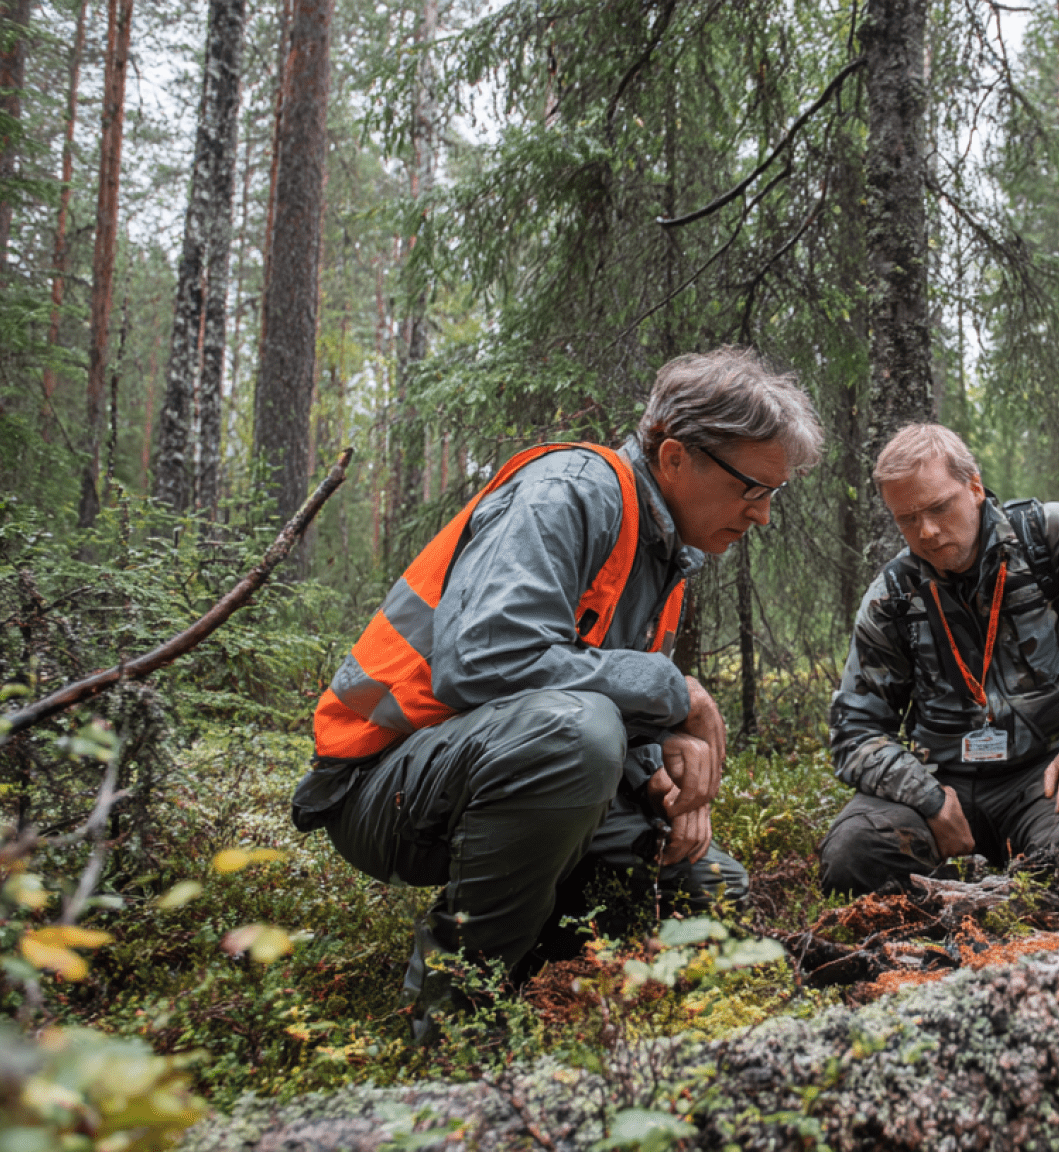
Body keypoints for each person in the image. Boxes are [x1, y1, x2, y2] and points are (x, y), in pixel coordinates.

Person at [289, 347, 823, 1041]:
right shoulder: (570, 492)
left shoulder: (662, 551)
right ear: (676, 457)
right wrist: (673, 690)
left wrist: (661, 776)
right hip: (379, 786)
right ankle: (454, 1017)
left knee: (710, 888)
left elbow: (584, 691)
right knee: (577, 734)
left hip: (484, 769)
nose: (763, 516)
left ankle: (557, 985)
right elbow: (484, 663)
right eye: (754, 488)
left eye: (772, 495)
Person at [820, 424, 1059, 895]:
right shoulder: (893, 596)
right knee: (853, 857)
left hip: (1049, 772)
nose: (926, 531)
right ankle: (945, 940)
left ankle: (1028, 927)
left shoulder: (1051, 538)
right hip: (942, 780)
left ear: (974, 487)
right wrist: (926, 800)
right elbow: (855, 730)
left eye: (939, 507)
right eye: (906, 519)